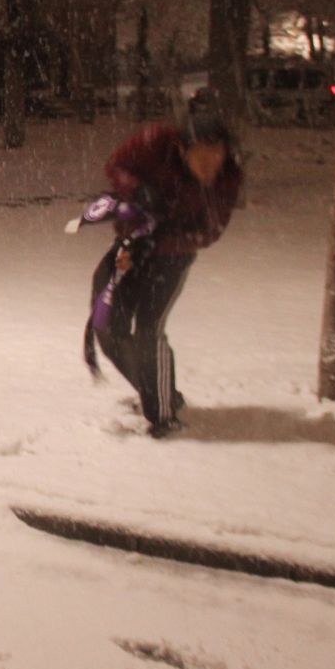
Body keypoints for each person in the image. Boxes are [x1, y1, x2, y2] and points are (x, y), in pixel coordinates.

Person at [87, 111, 241, 437]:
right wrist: (138, 189)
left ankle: (164, 416)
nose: (209, 164)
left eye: (216, 155)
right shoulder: (156, 142)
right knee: (106, 321)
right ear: (183, 150)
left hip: (173, 258)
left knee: (149, 330)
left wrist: (162, 237)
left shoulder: (227, 179)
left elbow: (209, 233)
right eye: (201, 155)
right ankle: (158, 391)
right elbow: (116, 165)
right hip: (131, 249)